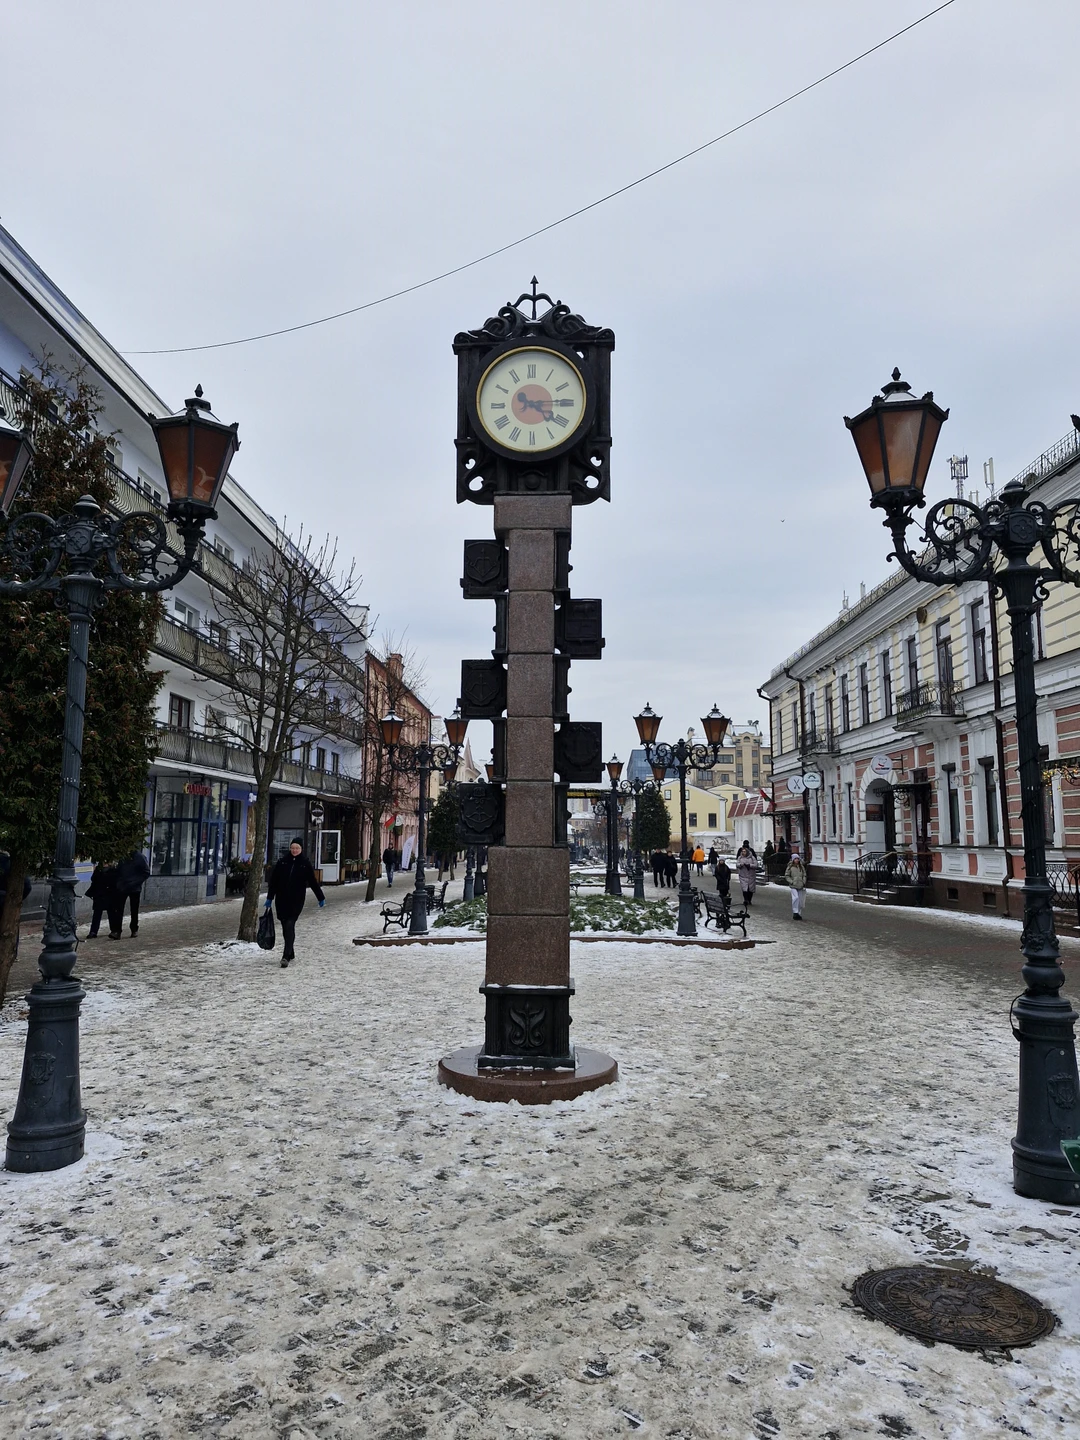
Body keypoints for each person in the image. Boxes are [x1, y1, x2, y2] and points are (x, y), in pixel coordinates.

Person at [265, 838, 325, 967]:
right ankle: (290, 951)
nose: (294, 850)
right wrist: (270, 898)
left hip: (296, 900)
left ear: (301, 849)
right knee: (284, 925)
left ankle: (285, 956)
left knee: (290, 924)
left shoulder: (305, 863)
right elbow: (274, 882)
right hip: (281, 899)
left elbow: (313, 882)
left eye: (297, 848)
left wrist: (320, 897)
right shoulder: (282, 862)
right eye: (293, 848)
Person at [114, 849, 150, 937]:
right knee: (119, 909)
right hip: (123, 887)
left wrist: (135, 882)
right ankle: (117, 931)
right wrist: (119, 883)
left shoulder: (140, 857)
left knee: (134, 910)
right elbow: (118, 871)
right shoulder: (123, 857)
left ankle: (134, 929)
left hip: (135, 888)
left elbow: (146, 872)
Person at [85, 861, 121, 939]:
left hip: (109, 894)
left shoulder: (113, 870)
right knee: (97, 914)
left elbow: (115, 882)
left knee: (111, 913)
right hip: (100, 894)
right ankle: (93, 931)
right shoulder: (99, 869)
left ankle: (113, 930)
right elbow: (93, 879)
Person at [784, 849, 808, 921]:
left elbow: (804, 875)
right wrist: (791, 882)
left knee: (800, 900)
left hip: (800, 885)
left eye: (798, 859)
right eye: (795, 859)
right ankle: (795, 912)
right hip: (793, 885)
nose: (797, 860)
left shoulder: (801, 867)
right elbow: (787, 875)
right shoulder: (790, 867)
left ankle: (799, 913)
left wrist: (803, 881)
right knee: (795, 898)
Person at [736, 843, 757, 909]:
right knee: (744, 889)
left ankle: (749, 900)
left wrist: (749, 865)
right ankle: (745, 900)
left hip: (751, 875)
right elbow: (737, 864)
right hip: (743, 875)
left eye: (744, 851)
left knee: (750, 889)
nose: (743, 852)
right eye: (742, 851)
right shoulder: (740, 857)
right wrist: (740, 865)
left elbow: (756, 865)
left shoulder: (752, 858)